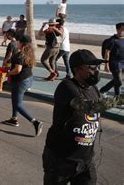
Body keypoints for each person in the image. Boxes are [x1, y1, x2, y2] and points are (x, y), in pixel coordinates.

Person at [42, 49, 106, 184]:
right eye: (92, 67)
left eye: (97, 67)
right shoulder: (66, 87)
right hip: (60, 159)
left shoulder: (93, 89)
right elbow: (88, 107)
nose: (96, 71)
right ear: (78, 69)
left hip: (86, 160)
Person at [2, 35, 43, 136]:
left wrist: (8, 73)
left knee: (18, 104)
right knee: (15, 99)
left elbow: (17, 70)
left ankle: (35, 122)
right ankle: (14, 119)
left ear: (22, 44)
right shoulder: (30, 54)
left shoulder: (19, 55)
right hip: (28, 79)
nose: (17, 43)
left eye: (19, 42)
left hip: (20, 81)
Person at [100, 22, 124, 97]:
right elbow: (107, 53)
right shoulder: (112, 40)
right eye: (122, 29)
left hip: (123, 62)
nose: (123, 31)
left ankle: (116, 97)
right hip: (114, 63)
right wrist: (106, 65)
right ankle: (104, 90)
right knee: (119, 81)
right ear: (117, 30)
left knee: (117, 80)